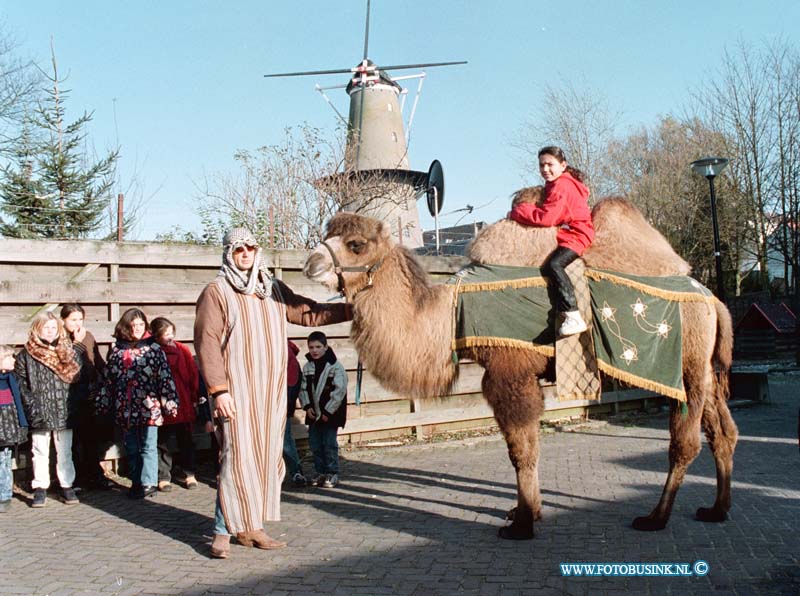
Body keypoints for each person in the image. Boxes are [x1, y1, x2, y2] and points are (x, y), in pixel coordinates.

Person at [194, 226, 351, 559]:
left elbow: (309, 312)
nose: (245, 254)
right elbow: (206, 343)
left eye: (250, 247)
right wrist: (219, 391)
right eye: (238, 249)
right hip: (235, 391)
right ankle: (222, 532)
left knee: (265, 458)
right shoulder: (217, 292)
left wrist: (353, 309)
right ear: (228, 254)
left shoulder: (273, 289)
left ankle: (252, 528)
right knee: (236, 459)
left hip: (270, 393)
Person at [509, 145, 594, 337]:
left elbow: (548, 218)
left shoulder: (562, 186)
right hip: (568, 232)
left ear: (563, 165)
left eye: (550, 164)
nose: (545, 169)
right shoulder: (556, 184)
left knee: (554, 265)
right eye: (541, 165)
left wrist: (519, 212)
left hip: (577, 234)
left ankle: (573, 314)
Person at [98, 308, 178, 499]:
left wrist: (170, 401)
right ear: (126, 326)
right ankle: (136, 481)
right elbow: (109, 380)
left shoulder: (154, 349)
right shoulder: (117, 350)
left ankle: (149, 482)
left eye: (141, 324)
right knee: (131, 446)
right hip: (126, 406)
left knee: (149, 445)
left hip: (149, 406)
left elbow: (165, 377)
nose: (137, 329)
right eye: (133, 325)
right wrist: (103, 402)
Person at [15, 311, 82, 507]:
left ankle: (67, 485)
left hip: (64, 409)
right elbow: (22, 385)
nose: (51, 331)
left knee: (65, 451)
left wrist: (73, 405)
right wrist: (32, 409)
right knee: (40, 451)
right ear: (37, 329)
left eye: (54, 327)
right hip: (39, 410)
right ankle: (40, 487)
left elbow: (78, 382)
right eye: (46, 327)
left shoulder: (69, 352)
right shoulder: (26, 355)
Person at [60, 303, 111, 490]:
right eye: (73, 320)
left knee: (92, 438)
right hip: (70, 396)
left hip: (90, 394)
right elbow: (66, 363)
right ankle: (76, 477)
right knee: (73, 441)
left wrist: (107, 374)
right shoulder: (60, 339)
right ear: (63, 320)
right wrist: (76, 343)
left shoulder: (87, 336)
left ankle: (95, 474)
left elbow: (96, 359)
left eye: (80, 319)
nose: (77, 323)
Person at [150, 316, 200, 491]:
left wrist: (194, 397)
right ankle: (163, 476)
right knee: (162, 441)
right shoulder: (153, 352)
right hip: (162, 403)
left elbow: (193, 374)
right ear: (156, 336)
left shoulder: (183, 350)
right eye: (166, 334)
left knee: (186, 439)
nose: (170, 337)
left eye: (171, 333)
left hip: (183, 400)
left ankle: (189, 473)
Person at [298, 331, 348, 489]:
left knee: (329, 443)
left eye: (318, 347)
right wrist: (306, 406)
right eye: (311, 347)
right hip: (314, 414)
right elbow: (302, 389)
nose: (314, 350)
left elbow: (339, 392)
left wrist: (328, 412)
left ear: (326, 347)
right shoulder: (308, 367)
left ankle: (332, 473)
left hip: (330, 414)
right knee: (315, 444)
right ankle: (320, 472)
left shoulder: (335, 367)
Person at [0, 346, 28, 513]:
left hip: (9, 430)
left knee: (5, 462)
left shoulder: (12, 380)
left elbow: (16, 407)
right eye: (9, 357)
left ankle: (4, 495)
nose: (14, 360)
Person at [283, 340, 306, 487]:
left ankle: (296, 471)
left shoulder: (287, 355)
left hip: (281, 406)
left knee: (285, 440)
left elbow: (293, 384)